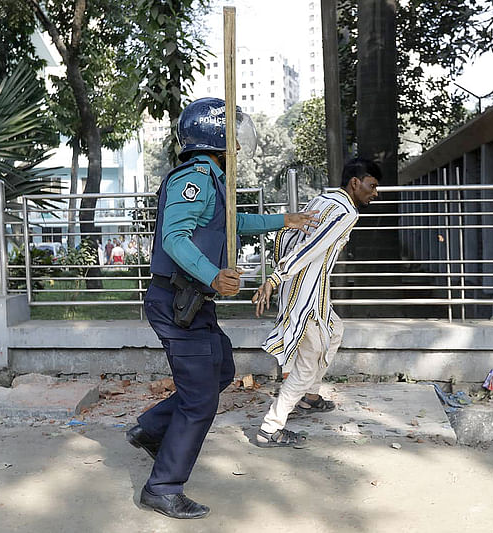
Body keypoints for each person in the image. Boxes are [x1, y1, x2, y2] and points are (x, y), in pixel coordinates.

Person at [125, 97, 319, 520]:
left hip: (195, 303)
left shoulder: (214, 180)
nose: (237, 145)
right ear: (217, 137)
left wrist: (283, 220)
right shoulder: (191, 180)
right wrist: (213, 274)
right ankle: (162, 487)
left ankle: (151, 429)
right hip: (178, 302)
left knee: (222, 371)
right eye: (232, 135)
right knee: (200, 401)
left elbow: (229, 224)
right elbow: (173, 238)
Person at [251, 157, 381, 448]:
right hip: (306, 295)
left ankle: (309, 397)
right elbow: (309, 247)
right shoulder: (347, 213)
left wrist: (280, 278)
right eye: (372, 186)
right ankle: (270, 428)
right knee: (308, 364)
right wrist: (275, 278)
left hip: (308, 290)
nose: (375, 193)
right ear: (355, 183)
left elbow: (288, 236)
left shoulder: (322, 199)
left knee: (335, 331)